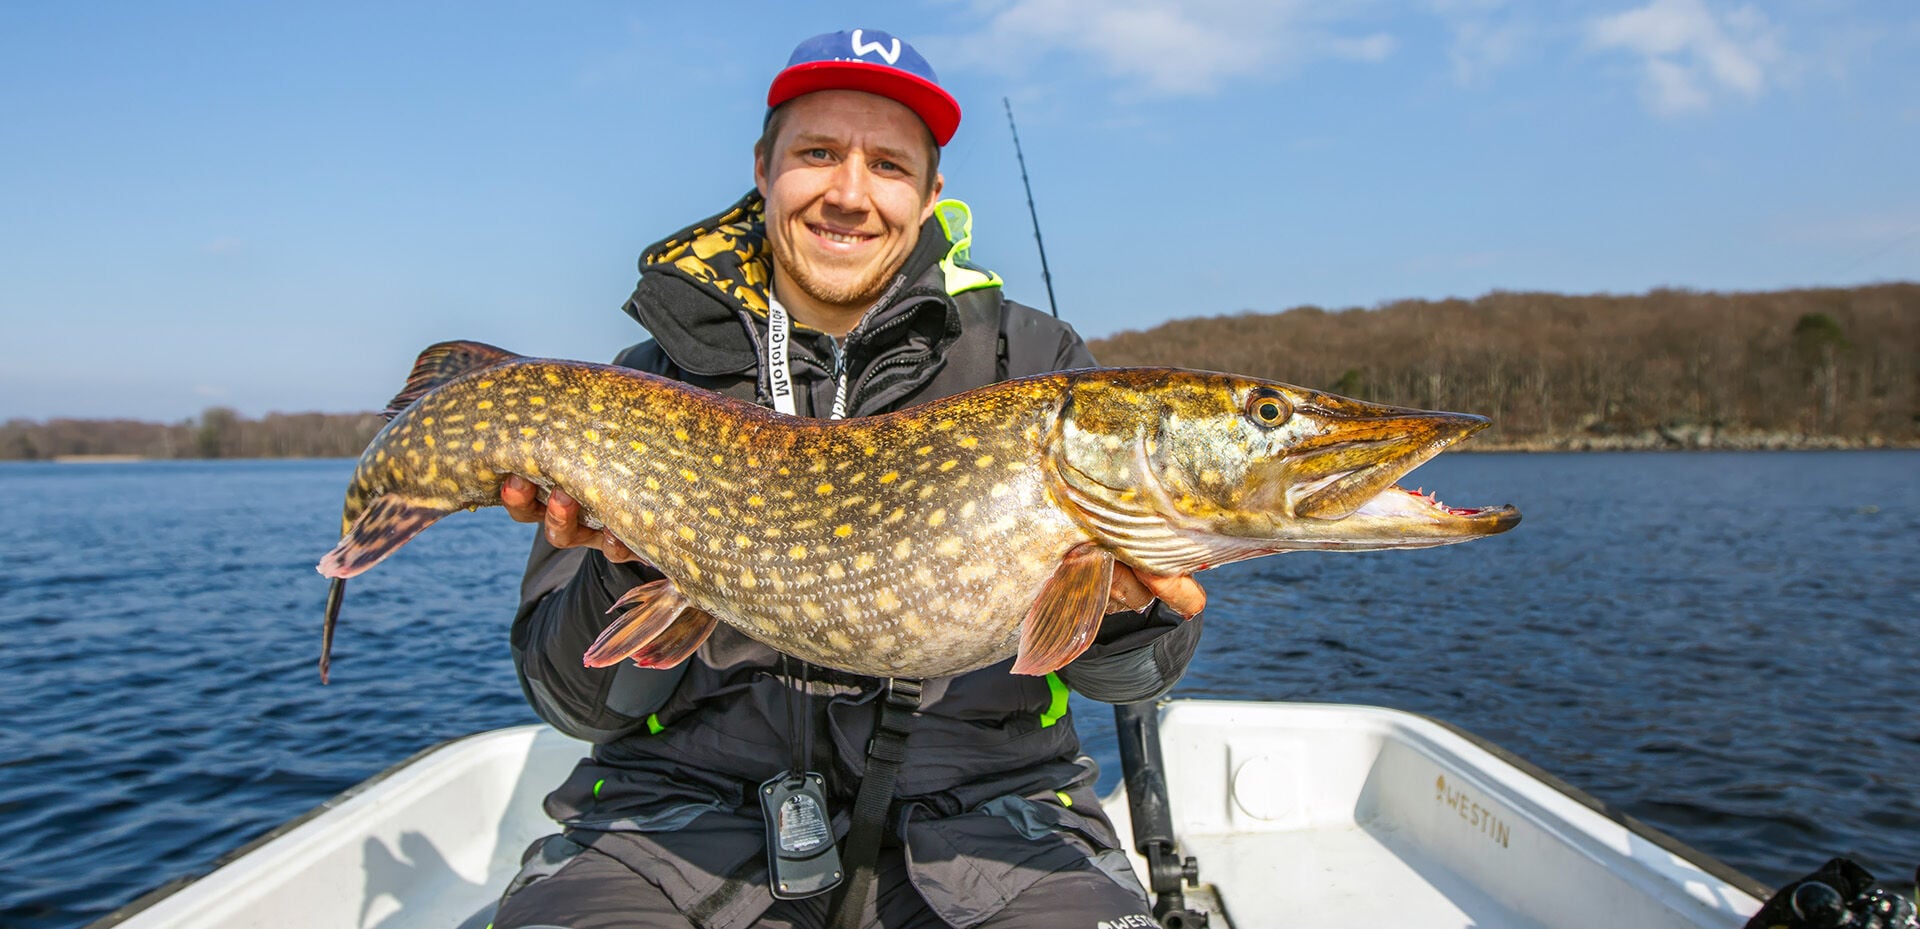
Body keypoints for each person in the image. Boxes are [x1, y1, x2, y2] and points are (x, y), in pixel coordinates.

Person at [492, 28, 1207, 929]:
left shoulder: (1034, 363)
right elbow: (571, 698)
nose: (849, 193)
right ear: (765, 169)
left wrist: (1131, 606)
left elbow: (1134, 680)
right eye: (818, 153)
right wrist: (625, 565)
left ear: (931, 192)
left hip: (992, 821)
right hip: (675, 818)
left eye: (888, 164)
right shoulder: (651, 378)